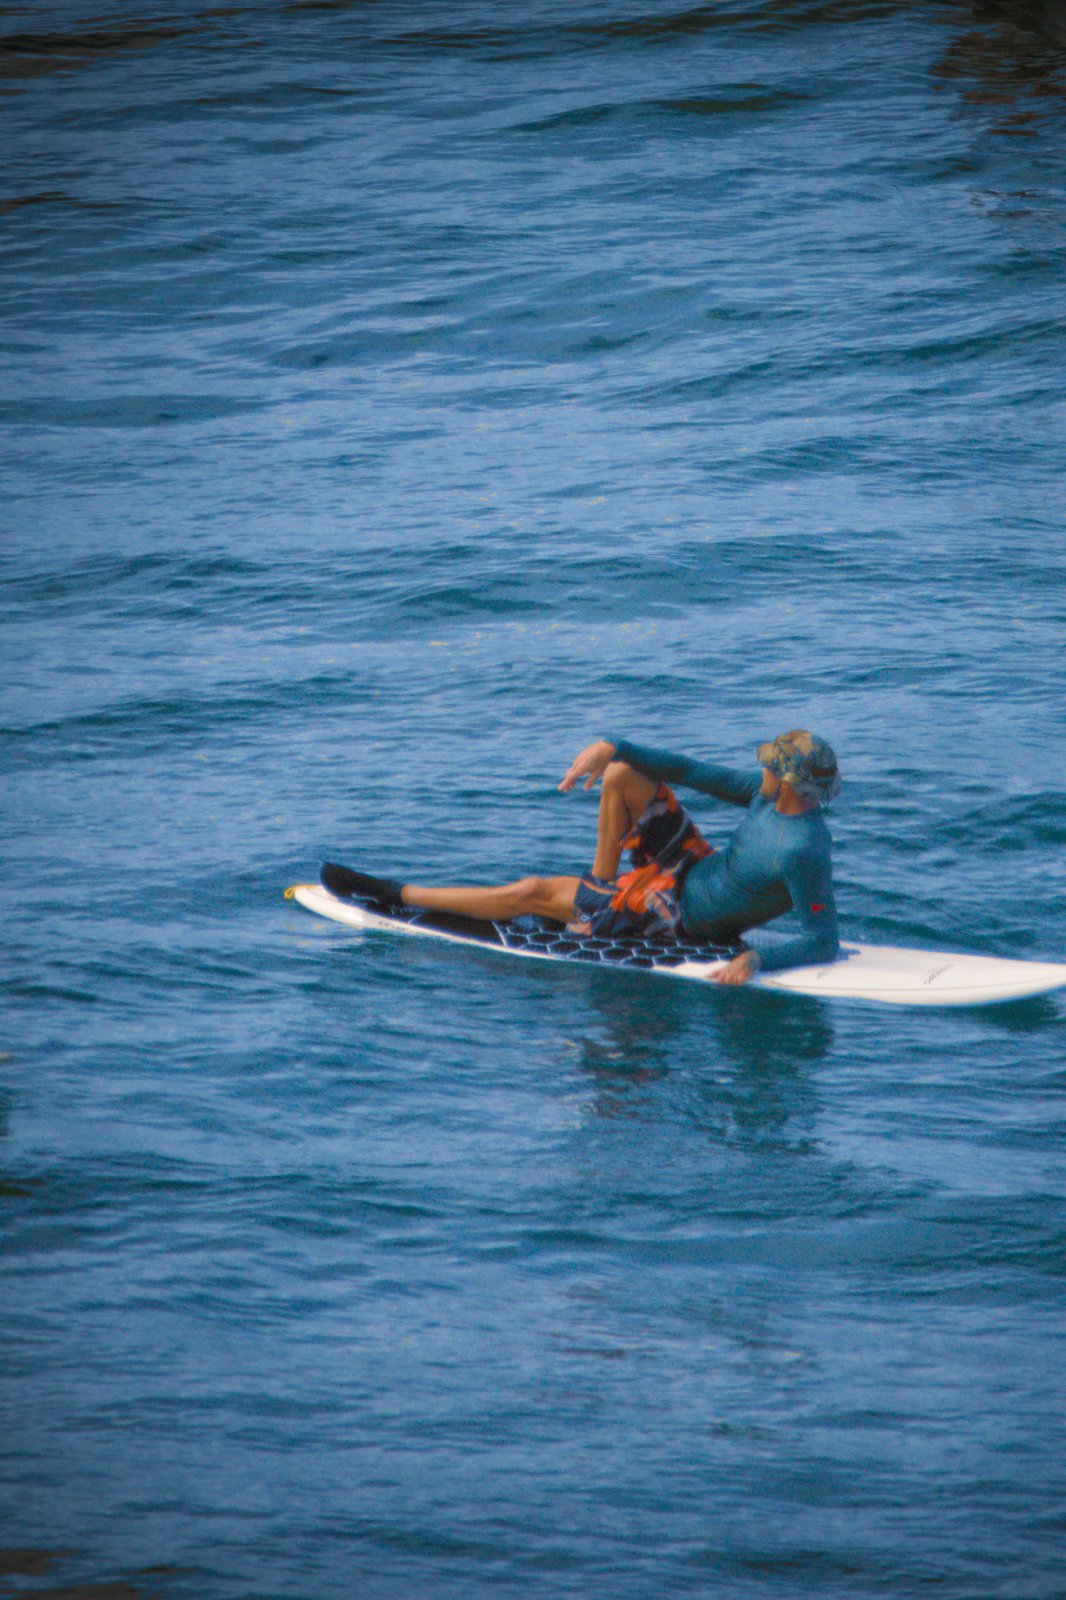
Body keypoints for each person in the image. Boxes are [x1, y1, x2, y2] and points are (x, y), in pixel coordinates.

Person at [330, 730, 842, 986]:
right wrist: (612, 744)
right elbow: (689, 770)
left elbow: (822, 942)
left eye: (772, 766)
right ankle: (599, 898)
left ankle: (396, 893)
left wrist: (755, 959)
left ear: (791, 780)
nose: (762, 770)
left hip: (681, 919)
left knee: (526, 893)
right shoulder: (763, 794)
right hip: (690, 865)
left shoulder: (802, 850)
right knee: (620, 773)